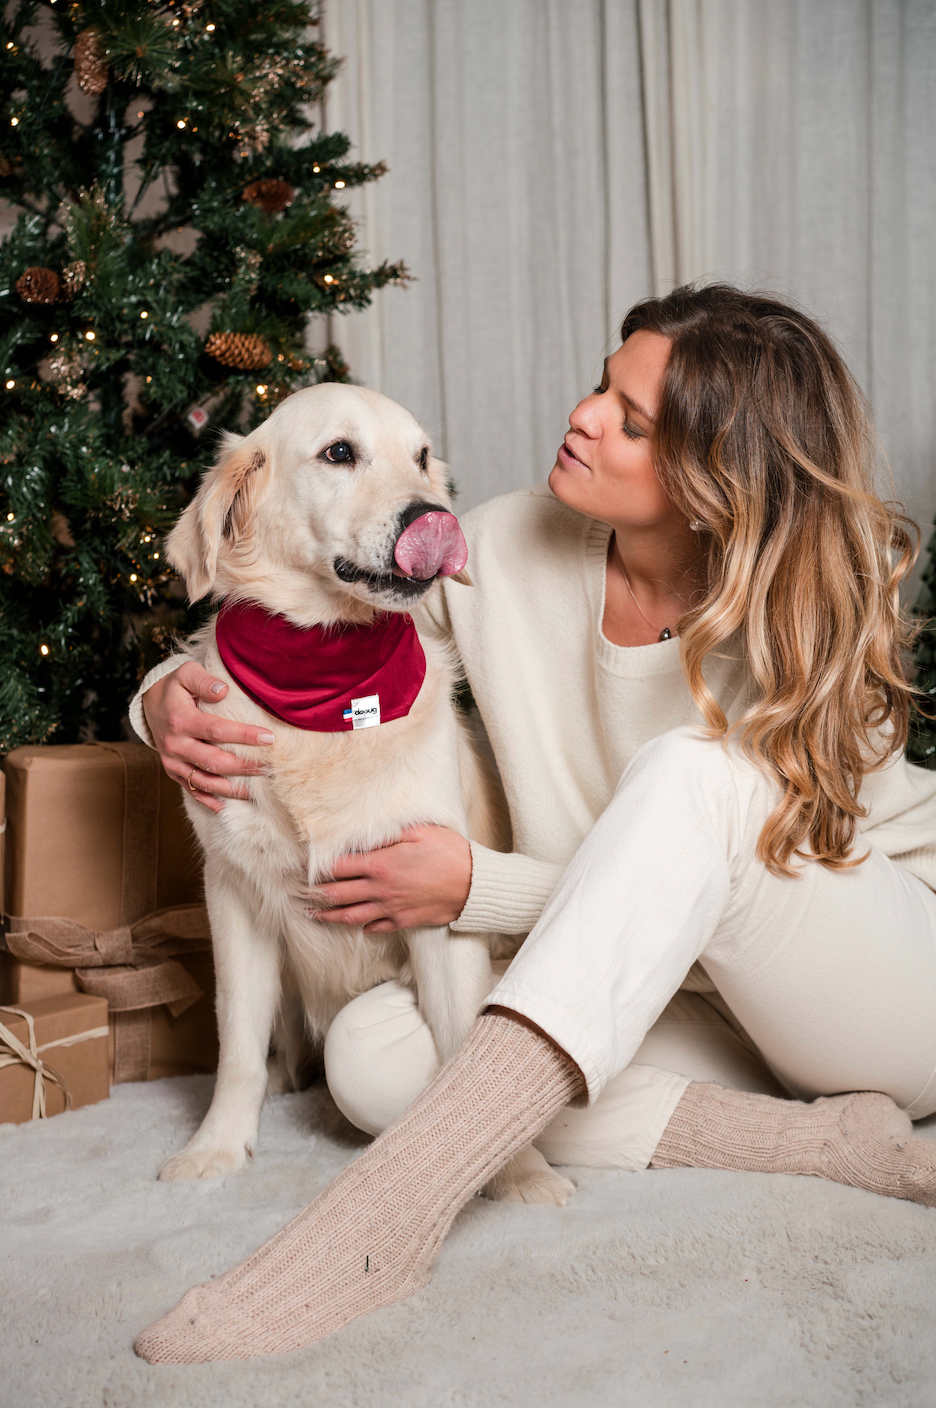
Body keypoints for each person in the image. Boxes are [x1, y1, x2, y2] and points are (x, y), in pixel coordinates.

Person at [133, 284, 936, 1364]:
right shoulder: (503, 544)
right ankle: (817, 1140)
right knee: (373, 1060)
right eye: (605, 383)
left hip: (890, 979)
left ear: (716, 482)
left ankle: (391, 1213)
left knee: (699, 774)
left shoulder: (798, 615)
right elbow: (308, 625)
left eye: (634, 421)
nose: (586, 413)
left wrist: (478, 887)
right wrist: (157, 702)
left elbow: (730, 883)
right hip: (702, 1000)